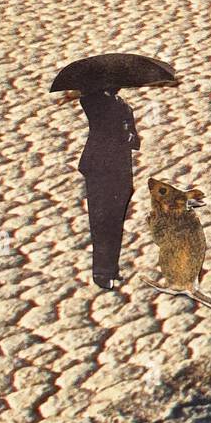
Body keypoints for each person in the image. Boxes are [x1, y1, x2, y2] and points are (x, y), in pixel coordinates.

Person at [69, 87, 140, 289]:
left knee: (115, 220)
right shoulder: (94, 101)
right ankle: (101, 273)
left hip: (119, 168)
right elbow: (98, 114)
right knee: (101, 221)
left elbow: (132, 138)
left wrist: (130, 135)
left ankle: (111, 268)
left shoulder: (121, 104)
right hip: (101, 167)